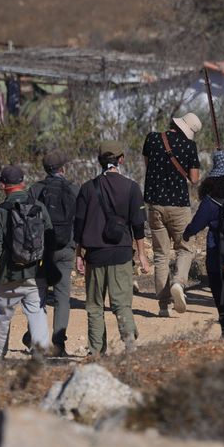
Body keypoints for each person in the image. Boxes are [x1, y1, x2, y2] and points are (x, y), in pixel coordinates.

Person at [74, 141, 150, 355]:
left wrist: (78, 253)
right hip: (122, 253)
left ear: (99, 161)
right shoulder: (132, 187)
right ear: (121, 159)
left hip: (95, 254)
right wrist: (142, 254)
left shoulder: (87, 188)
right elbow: (138, 225)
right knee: (121, 303)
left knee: (95, 306)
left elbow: (78, 225)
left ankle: (96, 352)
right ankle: (129, 345)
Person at [0, 166, 50, 358]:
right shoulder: (39, 207)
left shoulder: (0, 211)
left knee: (2, 315)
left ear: (4, 185)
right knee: (37, 312)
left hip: (8, 274)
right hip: (35, 273)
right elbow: (50, 236)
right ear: (23, 183)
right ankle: (40, 354)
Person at [142, 113, 202, 317]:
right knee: (185, 248)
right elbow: (194, 179)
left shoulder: (152, 138)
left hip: (155, 204)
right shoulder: (189, 147)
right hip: (178, 205)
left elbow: (147, 164)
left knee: (160, 254)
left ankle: (162, 305)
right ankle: (178, 282)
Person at [184, 151, 224, 336]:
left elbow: (197, 224)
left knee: (220, 292)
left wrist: (187, 234)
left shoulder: (211, 199)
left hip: (216, 252)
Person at [28, 150, 78, 356]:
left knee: (38, 296)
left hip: (40, 252)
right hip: (66, 249)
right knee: (62, 297)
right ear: (63, 168)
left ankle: (37, 342)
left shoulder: (35, 190)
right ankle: (59, 344)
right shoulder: (74, 189)